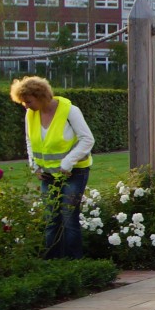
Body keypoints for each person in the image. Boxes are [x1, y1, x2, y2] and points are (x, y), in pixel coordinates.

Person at [11, 76, 94, 259]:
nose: (25, 106)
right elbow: (30, 141)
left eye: (28, 101)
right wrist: (35, 166)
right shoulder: (30, 114)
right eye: (23, 102)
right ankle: (52, 263)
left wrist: (68, 162)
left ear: (40, 96)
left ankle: (75, 262)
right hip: (47, 175)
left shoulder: (70, 111)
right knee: (51, 220)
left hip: (74, 172)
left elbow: (87, 139)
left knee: (68, 218)